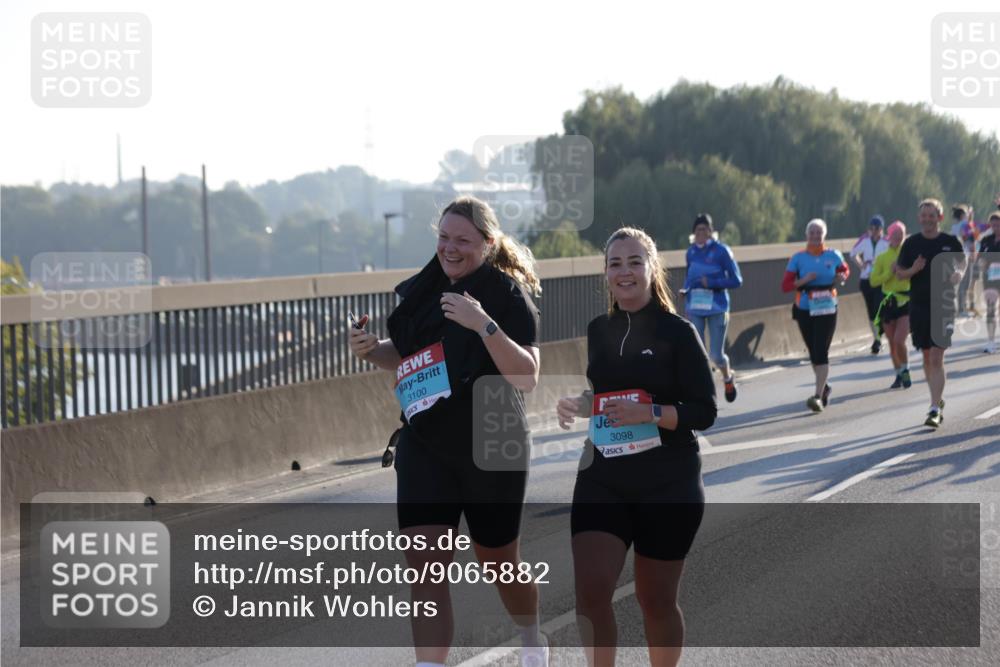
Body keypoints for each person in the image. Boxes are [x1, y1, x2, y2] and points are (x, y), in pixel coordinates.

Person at [348, 195, 548, 667]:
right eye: (443, 237)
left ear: (488, 243)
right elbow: (411, 359)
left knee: (498, 562)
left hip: (491, 439)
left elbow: (527, 377)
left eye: (463, 240)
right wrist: (371, 348)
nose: (450, 248)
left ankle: (532, 639)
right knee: (425, 569)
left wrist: (484, 326)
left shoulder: (505, 293)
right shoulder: (426, 289)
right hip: (427, 442)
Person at [555, 227, 716, 667]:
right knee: (590, 595)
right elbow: (607, 395)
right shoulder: (598, 329)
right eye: (614, 263)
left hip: (668, 481)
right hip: (604, 476)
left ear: (651, 268)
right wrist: (580, 403)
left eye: (633, 262)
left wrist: (651, 414)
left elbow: (704, 411)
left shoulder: (678, 332)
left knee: (655, 601)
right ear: (605, 273)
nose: (624, 272)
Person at [895, 198, 967, 429]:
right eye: (924, 215)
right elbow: (899, 274)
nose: (927, 219)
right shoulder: (911, 244)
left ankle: (934, 408)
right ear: (919, 218)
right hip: (919, 306)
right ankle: (937, 398)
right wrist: (913, 270)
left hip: (943, 304)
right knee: (927, 357)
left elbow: (962, 263)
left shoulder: (949, 241)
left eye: (932, 215)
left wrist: (958, 273)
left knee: (937, 356)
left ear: (940, 217)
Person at [781, 219, 850, 412]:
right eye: (812, 232)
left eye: (819, 232)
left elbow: (844, 270)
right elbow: (786, 286)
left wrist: (841, 277)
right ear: (806, 235)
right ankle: (824, 386)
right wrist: (804, 280)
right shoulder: (798, 258)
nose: (815, 236)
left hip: (827, 307)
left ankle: (817, 396)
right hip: (805, 306)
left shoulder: (833, 254)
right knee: (813, 352)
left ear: (824, 235)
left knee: (821, 351)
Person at [681, 213, 744, 402]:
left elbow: (737, 280)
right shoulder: (690, 252)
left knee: (716, 355)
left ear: (711, 231)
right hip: (696, 308)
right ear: (693, 232)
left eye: (705, 229)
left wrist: (713, 283)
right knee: (698, 353)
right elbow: (689, 277)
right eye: (698, 229)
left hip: (717, 308)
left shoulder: (722, 251)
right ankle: (705, 393)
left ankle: (727, 377)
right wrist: (686, 292)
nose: (701, 232)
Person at [869, 221, 912, 388]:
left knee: (899, 339)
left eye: (901, 234)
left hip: (905, 301)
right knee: (892, 344)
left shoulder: (909, 254)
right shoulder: (882, 258)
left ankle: (906, 369)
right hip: (888, 303)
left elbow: (916, 275)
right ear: (889, 236)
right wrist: (890, 272)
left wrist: (905, 273)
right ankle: (898, 375)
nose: (898, 237)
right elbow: (873, 281)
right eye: (895, 234)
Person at [851, 215, 889, 354]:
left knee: (880, 308)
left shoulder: (887, 241)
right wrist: (861, 265)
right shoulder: (864, 239)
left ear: (881, 229)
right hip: (866, 279)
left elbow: (894, 255)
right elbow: (853, 253)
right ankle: (877, 339)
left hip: (881, 280)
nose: (873, 231)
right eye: (871, 228)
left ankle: (882, 330)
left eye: (877, 228)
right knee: (871, 312)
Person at [975, 212, 1000, 353]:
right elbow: (979, 258)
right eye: (994, 225)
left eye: (998, 225)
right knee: (991, 310)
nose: (996, 228)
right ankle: (991, 342)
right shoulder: (986, 240)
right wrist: (981, 263)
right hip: (990, 279)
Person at [950, 204, 979, 316]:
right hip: (966, 256)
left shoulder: (954, 226)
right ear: (963, 215)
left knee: (959, 282)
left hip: (955, 256)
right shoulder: (966, 224)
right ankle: (962, 310)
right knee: (965, 283)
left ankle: (959, 308)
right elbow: (971, 239)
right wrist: (973, 253)